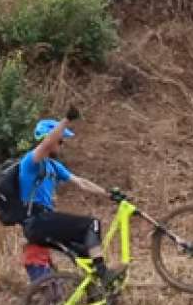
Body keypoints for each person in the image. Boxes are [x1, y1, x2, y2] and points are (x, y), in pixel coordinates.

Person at [19, 107, 119, 287]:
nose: (62, 145)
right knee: (92, 224)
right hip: (37, 220)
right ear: (52, 138)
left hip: (44, 222)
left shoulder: (53, 166)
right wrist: (66, 120)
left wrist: (109, 194)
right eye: (61, 141)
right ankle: (103, 274)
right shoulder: (31, 161)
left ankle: (95, 295)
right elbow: (47, 143)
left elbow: (81, 182)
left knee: (85, 251)